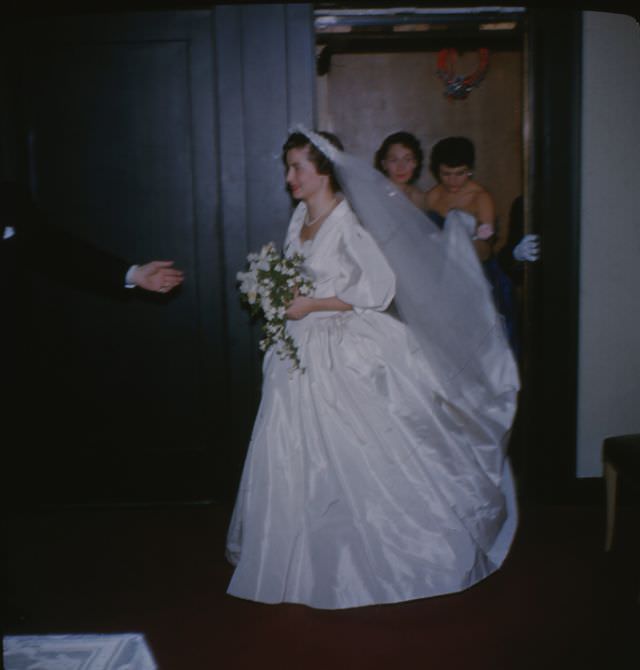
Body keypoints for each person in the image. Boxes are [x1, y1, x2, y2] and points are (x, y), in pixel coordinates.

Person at [225, 129, 519, 609]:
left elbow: (379, 289)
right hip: (298, 348)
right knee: (295, 449)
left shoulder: (348, 222)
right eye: (288, 167)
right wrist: (280, 298)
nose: (289, 177)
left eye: (297, 167)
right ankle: (300, 555)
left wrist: (313, 304)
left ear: (323, 170)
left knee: (358, 451)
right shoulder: (301, 215)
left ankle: (378, 554)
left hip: (342, 346)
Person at [374, 131, 426, 210]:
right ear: (384, 164)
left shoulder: (419, 196)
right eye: (394, 160)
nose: (401, 167)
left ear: (416, 163)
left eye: (407, 160)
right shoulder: (375, 194)